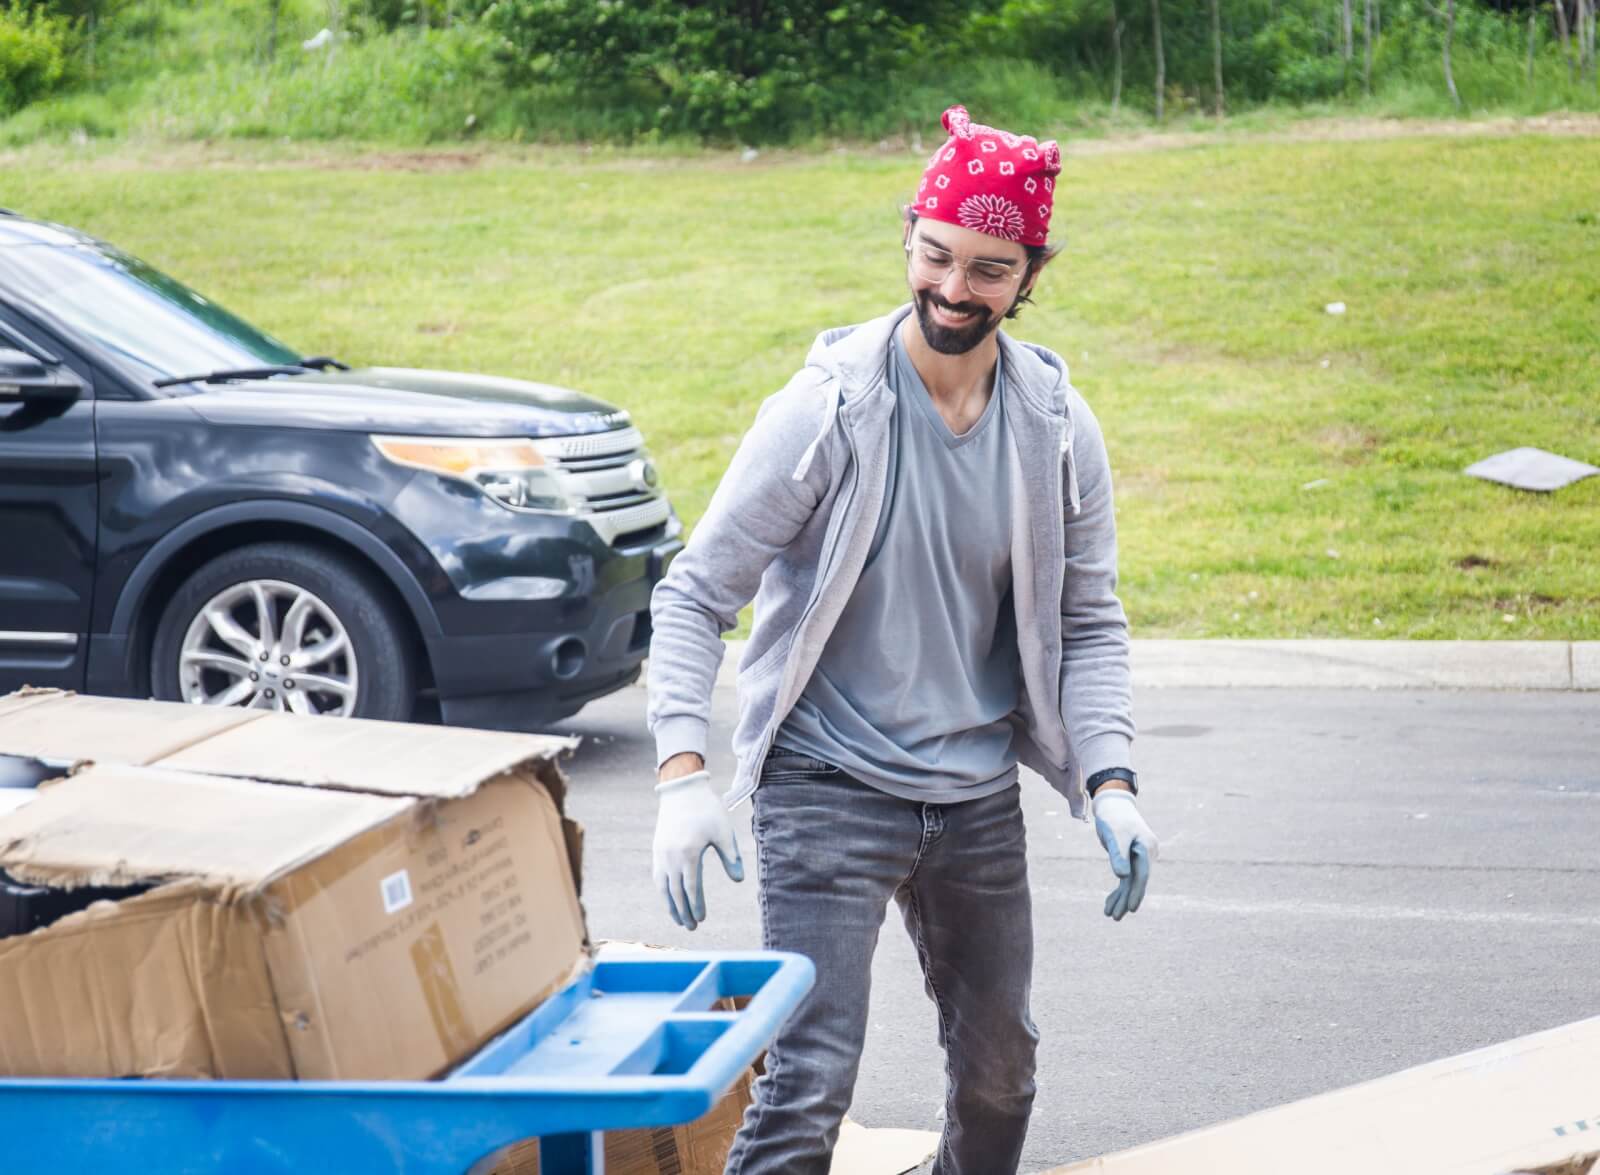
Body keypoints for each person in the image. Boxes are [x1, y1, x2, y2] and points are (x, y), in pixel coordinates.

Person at [645, 104, 1159, 1175]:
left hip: (971, 794)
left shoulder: (1056, 424)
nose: (953, 289)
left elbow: (1089, 619)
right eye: (935, 256)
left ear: (1029, 275)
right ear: (908, 242)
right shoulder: (826, 411)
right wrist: (681, 775)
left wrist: (1107, 777)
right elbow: (696, 595)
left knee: (999, 1072)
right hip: (824, 784)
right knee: (807, 1085)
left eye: (989, 268)